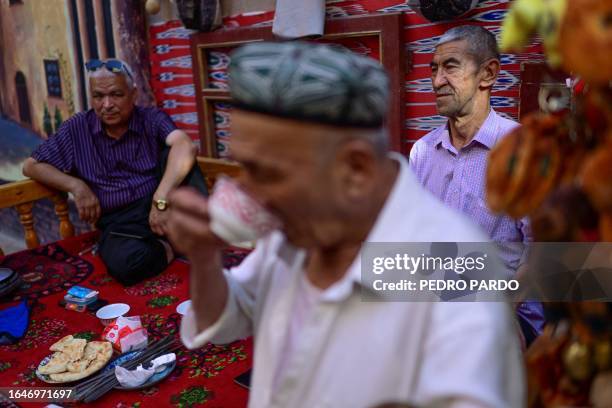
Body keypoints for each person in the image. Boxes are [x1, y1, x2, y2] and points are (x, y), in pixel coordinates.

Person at [169, 42, 525, 408]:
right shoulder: (296, 229)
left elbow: (567, 265)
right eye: (242, 166)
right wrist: (204, 256)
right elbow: (233, 311)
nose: (246, 194)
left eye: (267, 173)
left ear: (355, 169)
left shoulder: (457, 277)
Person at [408, 25, 543, 344]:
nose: (438, 80)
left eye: (450, 66)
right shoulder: (423, 152)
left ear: (489, 75)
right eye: (434, 69)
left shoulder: (522, 150)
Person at [23, 59, 205, 286]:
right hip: (119, 223)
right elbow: (31, 166)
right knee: (126, 266)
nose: (107, 104)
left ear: (133, 94)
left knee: (176, 154)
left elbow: (185, 145)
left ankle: (186, 236)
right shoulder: (77, 128)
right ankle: (171, 246)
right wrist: (76, 186)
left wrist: (160, 199)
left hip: (160, 204)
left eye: (116, 94)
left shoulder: (151, 119)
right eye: (98, 96)